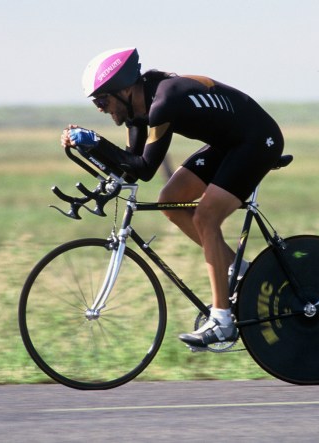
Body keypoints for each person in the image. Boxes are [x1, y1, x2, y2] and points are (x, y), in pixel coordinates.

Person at [60, 47, 284, 348]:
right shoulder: (137, 113)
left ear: (125, 91)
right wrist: (89, 148)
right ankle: (240, 271)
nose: (100, 109)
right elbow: (131, 170)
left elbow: (145, 168)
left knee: (206, 217)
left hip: (257, 141)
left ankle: (222, 323)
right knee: (170, 200)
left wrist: (96, 141)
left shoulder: (164, 103)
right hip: (229, 145)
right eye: (96, 103)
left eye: (102, 100)